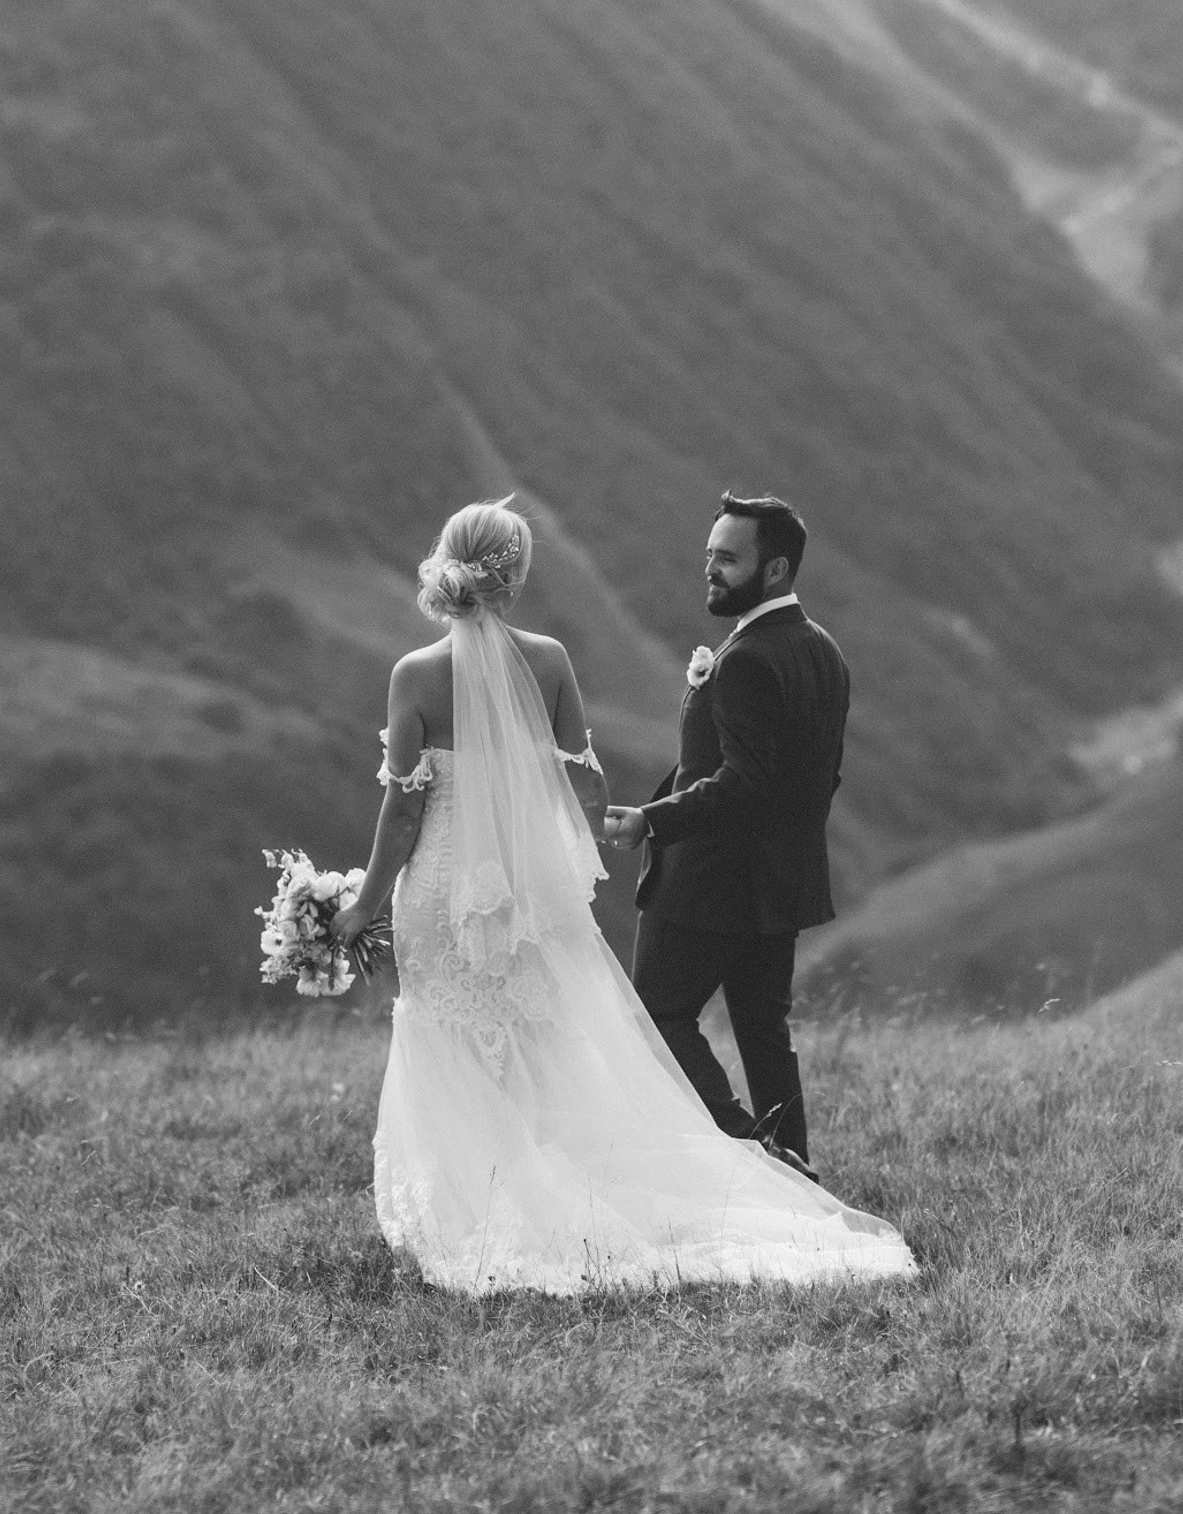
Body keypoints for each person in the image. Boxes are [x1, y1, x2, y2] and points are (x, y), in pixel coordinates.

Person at [331, 497, 912, 1293]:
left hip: (440, 892)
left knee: (452, 1041)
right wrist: (580, 833)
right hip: (535, 897)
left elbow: (402, 809)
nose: (710, 565)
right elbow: (585, 776)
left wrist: (363, 903)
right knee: (555, 1044)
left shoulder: (415, 675)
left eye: (725, 555)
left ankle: (481, 1203)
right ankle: (755, 1161)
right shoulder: (552, 661)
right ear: (517, 575)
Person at [603, 491, 845, 1180]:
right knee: (765, 1035)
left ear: (774, 572)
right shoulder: (823, 651)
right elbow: (818, 778)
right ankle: (796, 1169)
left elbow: (743, 781)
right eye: (709, 555)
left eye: (728, 559)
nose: (709, 570)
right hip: (778, 883)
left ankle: (756, 1160)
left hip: (709, 882)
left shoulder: (744, 660)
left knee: (658, 1016)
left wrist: (653, 819)